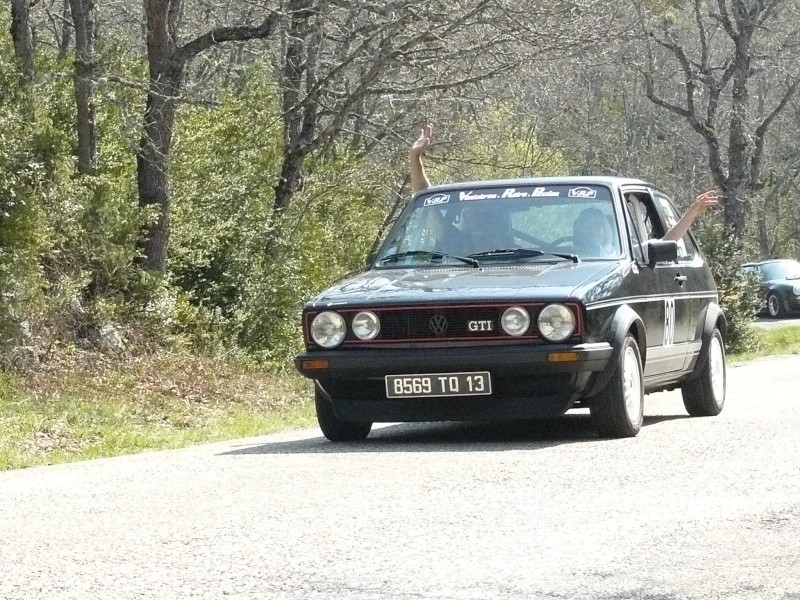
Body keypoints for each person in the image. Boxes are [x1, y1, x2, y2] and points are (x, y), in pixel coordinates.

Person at [409, 124, 720, 246]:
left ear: (500, 221)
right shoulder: (452, 243)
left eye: (480, 215)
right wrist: (414, 158)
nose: (471, 218)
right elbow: (427, 200)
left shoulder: (558, 258)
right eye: (472, 214)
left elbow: (662, 246)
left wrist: (691, 212)